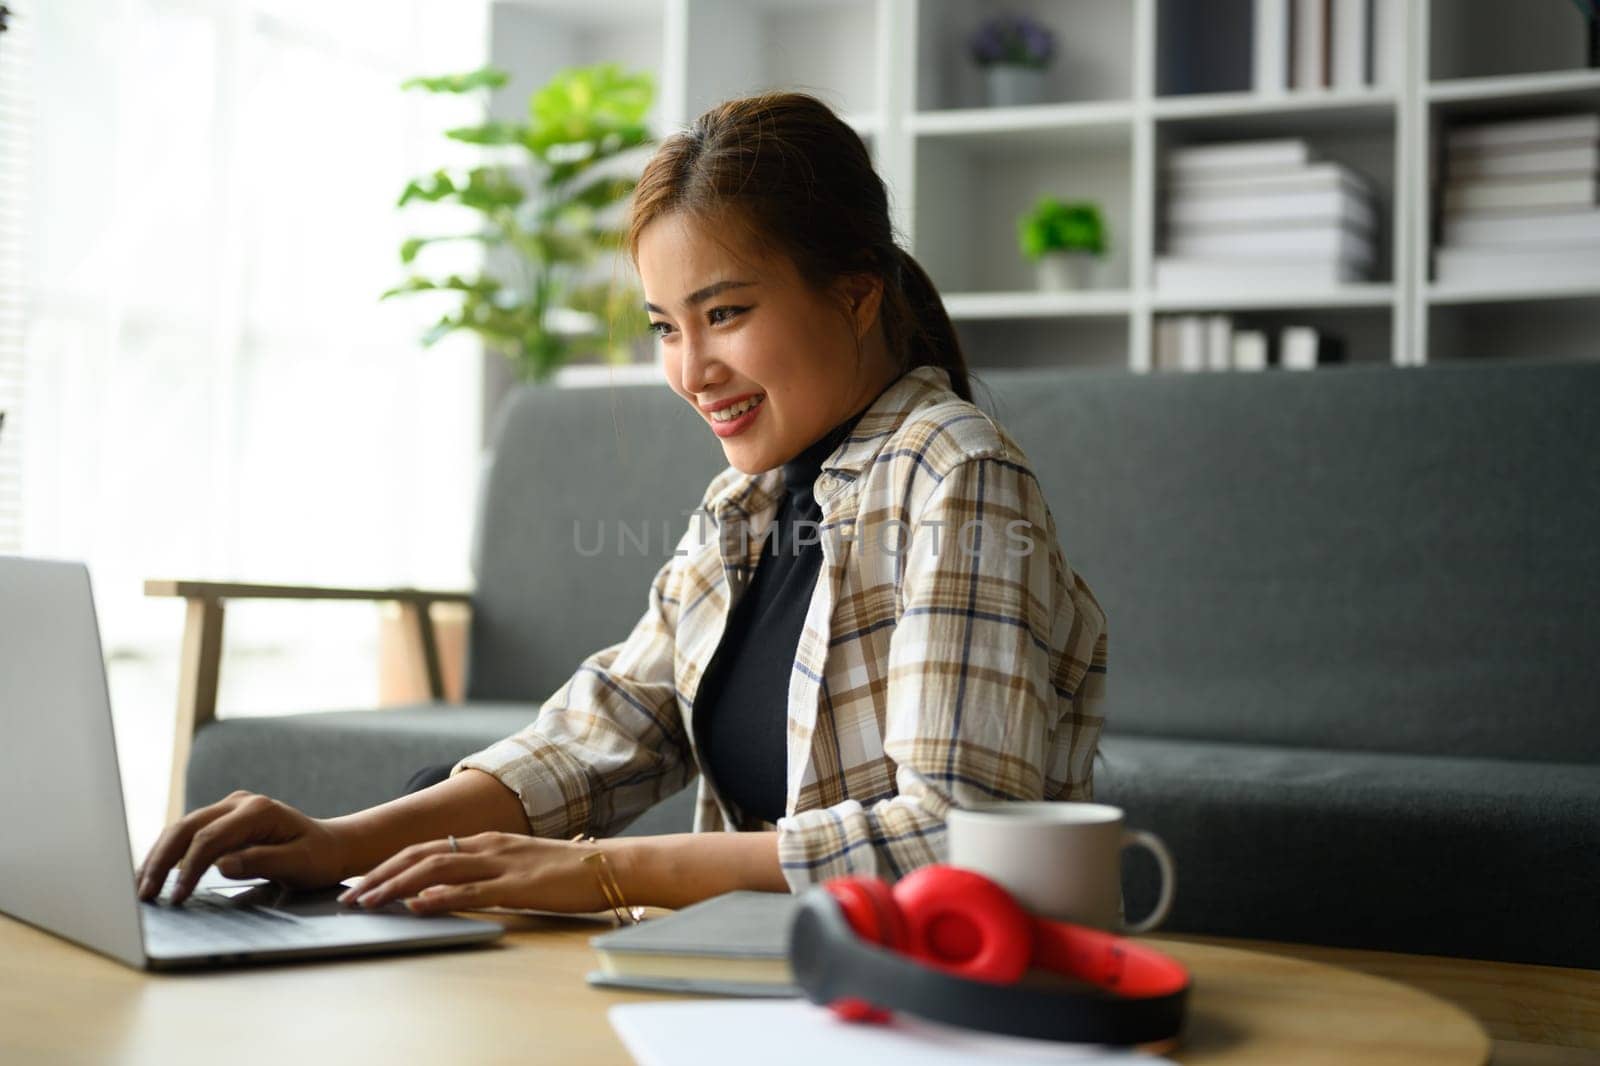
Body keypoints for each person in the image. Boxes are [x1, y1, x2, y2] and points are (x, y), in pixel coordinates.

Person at [135, 91, 1108, 916]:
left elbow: (953, 839)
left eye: (725, 313)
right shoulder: (746, 504)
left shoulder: (955, 472)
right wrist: (336, 841)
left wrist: (598, 871)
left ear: (855, 296)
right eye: (664, 326)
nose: (691, 369)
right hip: (771, 988)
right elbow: (597, 739)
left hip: (927, 1003)